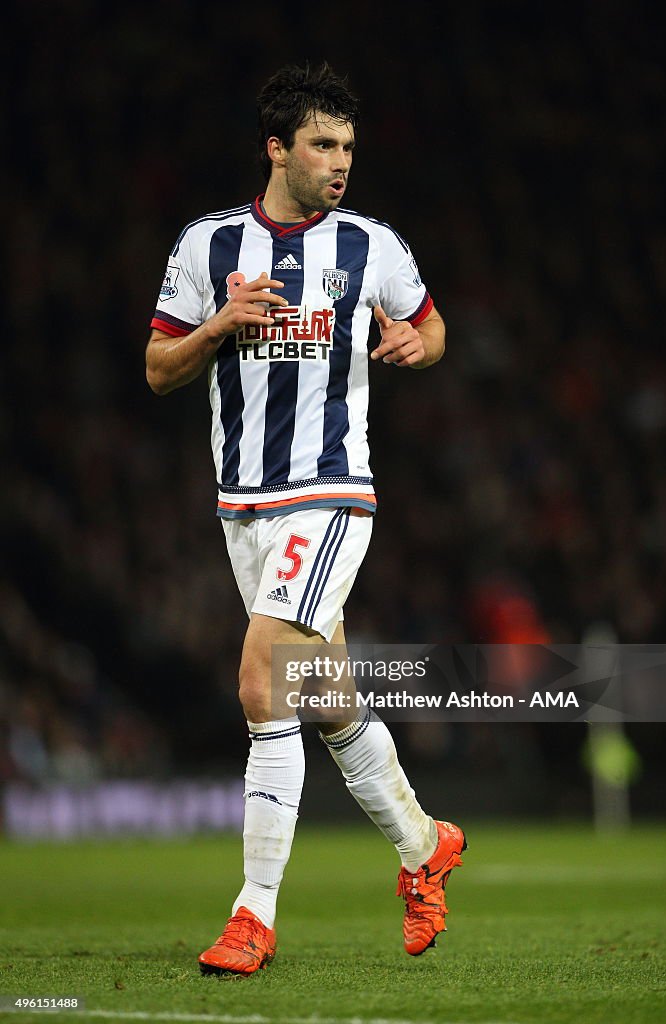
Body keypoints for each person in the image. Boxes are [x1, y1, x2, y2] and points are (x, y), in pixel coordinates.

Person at [145, 62, 466, 977]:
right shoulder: (208, 247)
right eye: (322, 144)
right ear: (276, 148)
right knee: (325, 699)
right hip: (241, 505)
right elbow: (159, 368)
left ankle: (253, 915)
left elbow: (433, 329)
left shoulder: (373, 245)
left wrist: (416, 344)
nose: (340, 162)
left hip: (329, 491)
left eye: (349, 147)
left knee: (263, 681)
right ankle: (423, 845)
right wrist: (219, 328)